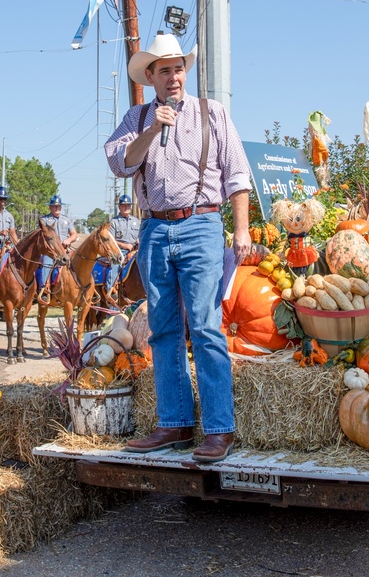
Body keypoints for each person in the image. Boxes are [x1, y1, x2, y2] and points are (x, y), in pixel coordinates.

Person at [104, 33, 252, 463]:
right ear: (149, 76)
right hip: (153, 229)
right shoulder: (138, 117)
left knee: (206, 327)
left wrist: (240, 230)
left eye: (178, 68)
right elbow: (119, 163)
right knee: (164, 330)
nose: (173, 77)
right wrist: (153, 129)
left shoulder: (213, 113)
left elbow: (237, 175)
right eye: (164, 70)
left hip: (201, 224)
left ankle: (219, 430)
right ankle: (174, 423)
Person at [37, 195, 78, 302]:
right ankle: (43, 290)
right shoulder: (44, 220)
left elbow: (74, 234)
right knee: (46, 265)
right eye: (55, 207)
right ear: (50, 207)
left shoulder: (66, 220)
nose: (57, 208)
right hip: (50, 252)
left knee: (78, 265)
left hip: (65, 250)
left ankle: (81, 289)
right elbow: (40, 237)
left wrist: (68, 240)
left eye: (59, 206)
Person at [106, 194, 140, 299]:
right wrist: (124, 245)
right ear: (119, 207)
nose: (126, 207)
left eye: (128, 205)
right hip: (119, 251)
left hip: (136, 250)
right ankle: (111, 291)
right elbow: (110, 240)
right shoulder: (114, 222)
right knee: (115, 266)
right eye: (123, 205)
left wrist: (139, 240)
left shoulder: (136, 221)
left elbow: (141, 235)